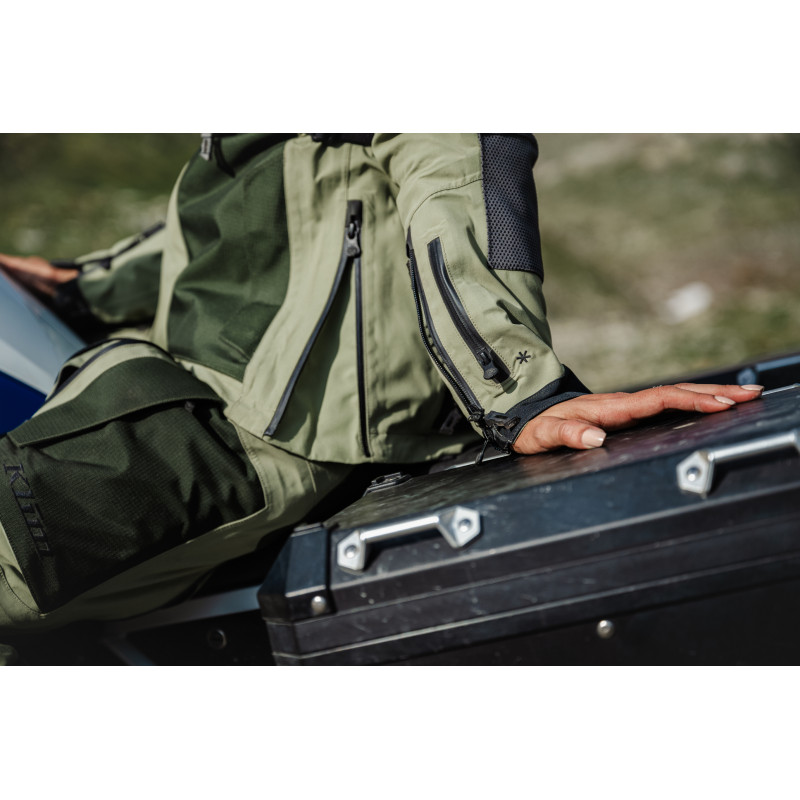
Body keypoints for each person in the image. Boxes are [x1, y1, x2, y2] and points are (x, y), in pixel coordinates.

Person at [0, 133, 763, 634]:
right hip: (166, 388)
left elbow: (455, 154)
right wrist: (88, 286)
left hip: (256, 431)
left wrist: (520, 390)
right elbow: (254, 192)